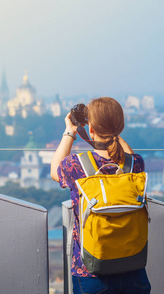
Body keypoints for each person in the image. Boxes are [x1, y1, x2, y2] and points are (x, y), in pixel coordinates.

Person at [51, 97, 151, 294]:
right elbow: (128, 156)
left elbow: (55, 171)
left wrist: (70, 132)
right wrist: (113, 133)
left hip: (91, 274)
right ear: (120, 127)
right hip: (133, 269)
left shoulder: (76, 165)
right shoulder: (135, 164)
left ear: (91, 130)